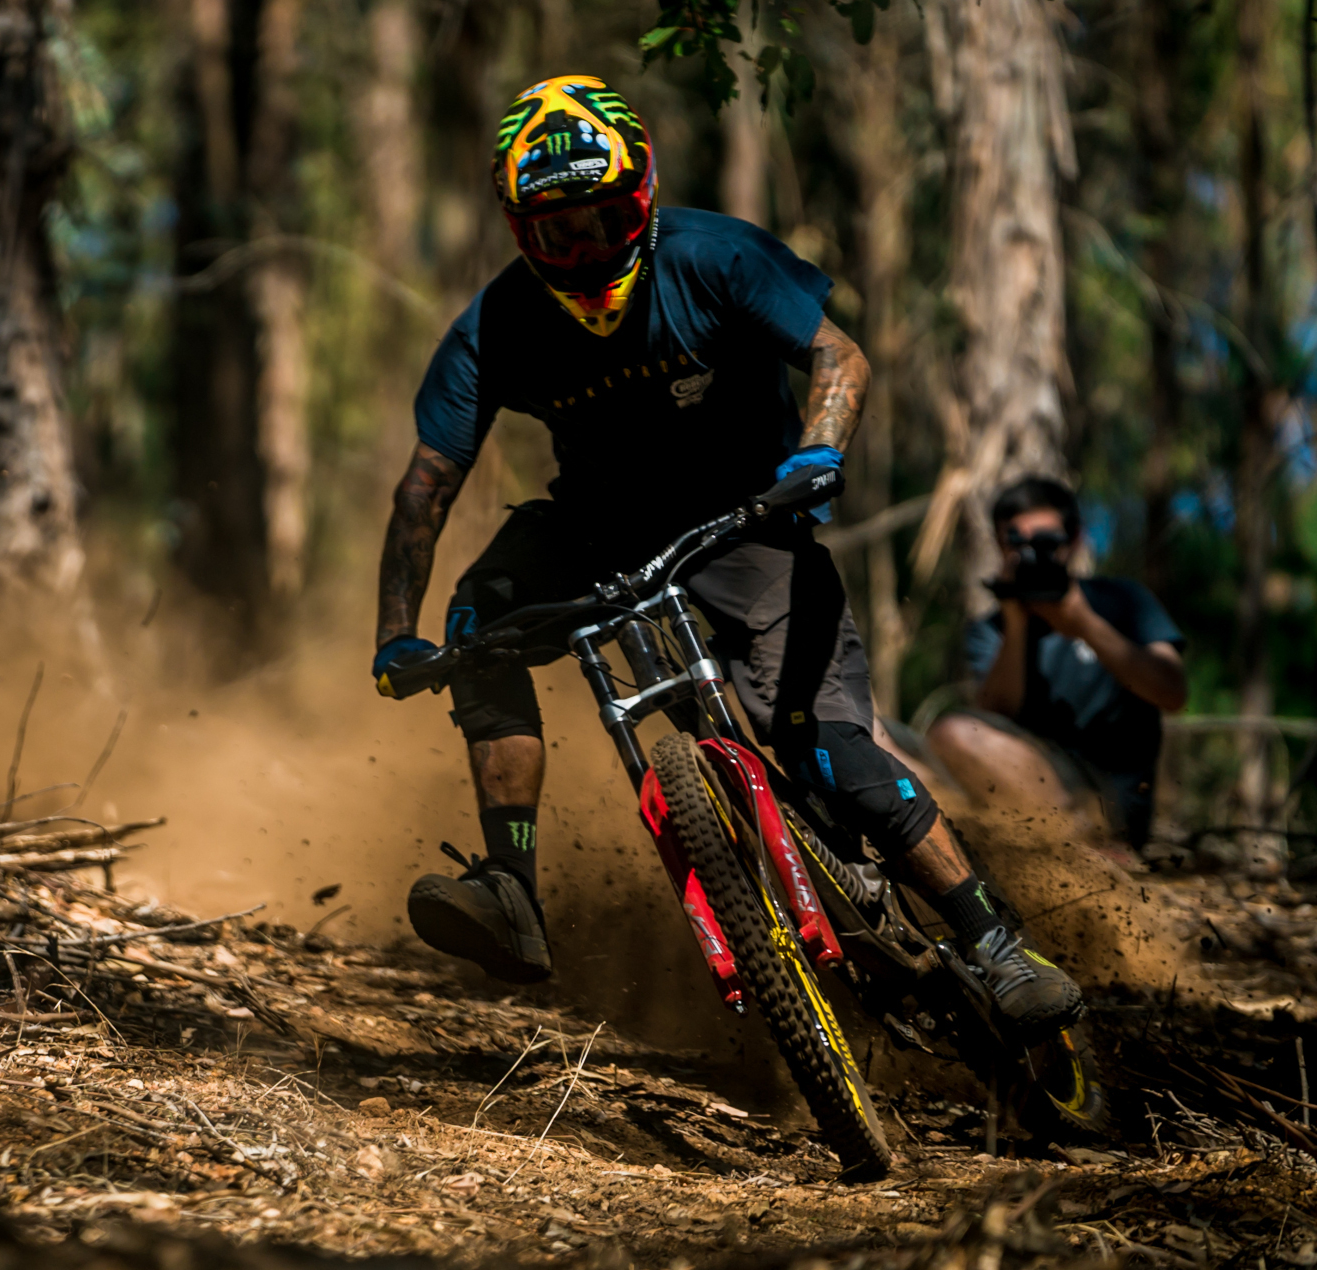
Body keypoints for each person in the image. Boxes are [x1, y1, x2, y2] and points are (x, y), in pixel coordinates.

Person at [369, 74, 1082, 1035]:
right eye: (555, 233)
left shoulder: (715, 256)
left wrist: (820, 451)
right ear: (517, 232)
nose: (583, 251)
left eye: (603, 218)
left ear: (645, 193)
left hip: (752, 517)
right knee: (478, 618)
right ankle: (510, 884)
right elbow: (426, 485)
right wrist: (395, 637)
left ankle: (993, 942)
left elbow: (840, 357)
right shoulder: (494, 326)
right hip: (598, 528)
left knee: (823, 749)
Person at [926, 477, 1188, 861]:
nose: (1032, 553)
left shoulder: (1123, 600)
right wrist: (1016, 624)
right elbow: (993, 719)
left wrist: (1085, 625)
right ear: (1000, 545)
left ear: (1076, 539)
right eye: (1016, 542)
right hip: (1018, 780)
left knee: (954, 734)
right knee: (884, 736)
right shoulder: (991, 628)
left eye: (1047, 541)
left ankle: (1086, 844)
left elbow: (1172, 692)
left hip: (1106, 799)